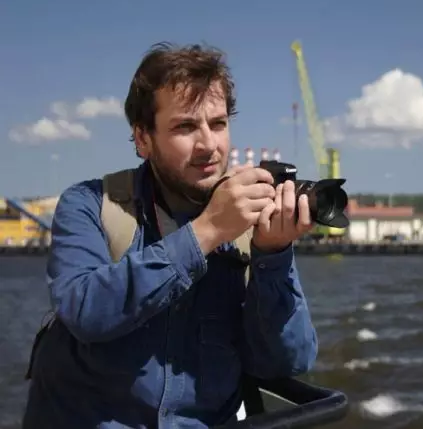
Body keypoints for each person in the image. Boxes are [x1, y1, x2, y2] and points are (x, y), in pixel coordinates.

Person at [22, 42, 319, 428]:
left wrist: (274, 255)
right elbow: (85, 311)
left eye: (218, 124)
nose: (208, 146)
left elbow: (286, 361)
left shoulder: (249, 223)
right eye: (185, 126)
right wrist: (207, 231)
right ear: (143, 139)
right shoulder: (88, 205)